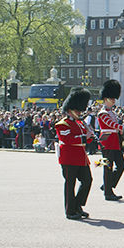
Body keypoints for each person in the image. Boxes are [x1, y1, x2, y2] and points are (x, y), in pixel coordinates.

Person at [56, 88, 93, 220]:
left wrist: (90, 136)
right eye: (77, 110)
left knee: (87, 181)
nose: (79, 112)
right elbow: (68, 139)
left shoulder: (80, 123)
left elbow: (85, 139)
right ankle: (70, 210)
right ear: (70, 110)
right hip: (69, 159)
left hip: (81, 158)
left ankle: (77, 205)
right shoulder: (62, 124)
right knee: (70, 184)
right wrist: (85, 136)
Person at [97, 80, 124, 201]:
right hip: (106, 141)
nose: (113, 100)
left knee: (121, 165)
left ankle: (107, 185)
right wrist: (123, 128)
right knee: (107, 167)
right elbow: (110, 124)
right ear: (105, 98)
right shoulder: (102, 113)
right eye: (111, 98)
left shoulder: (112, 112)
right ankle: (108, 192)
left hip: (114, 140)